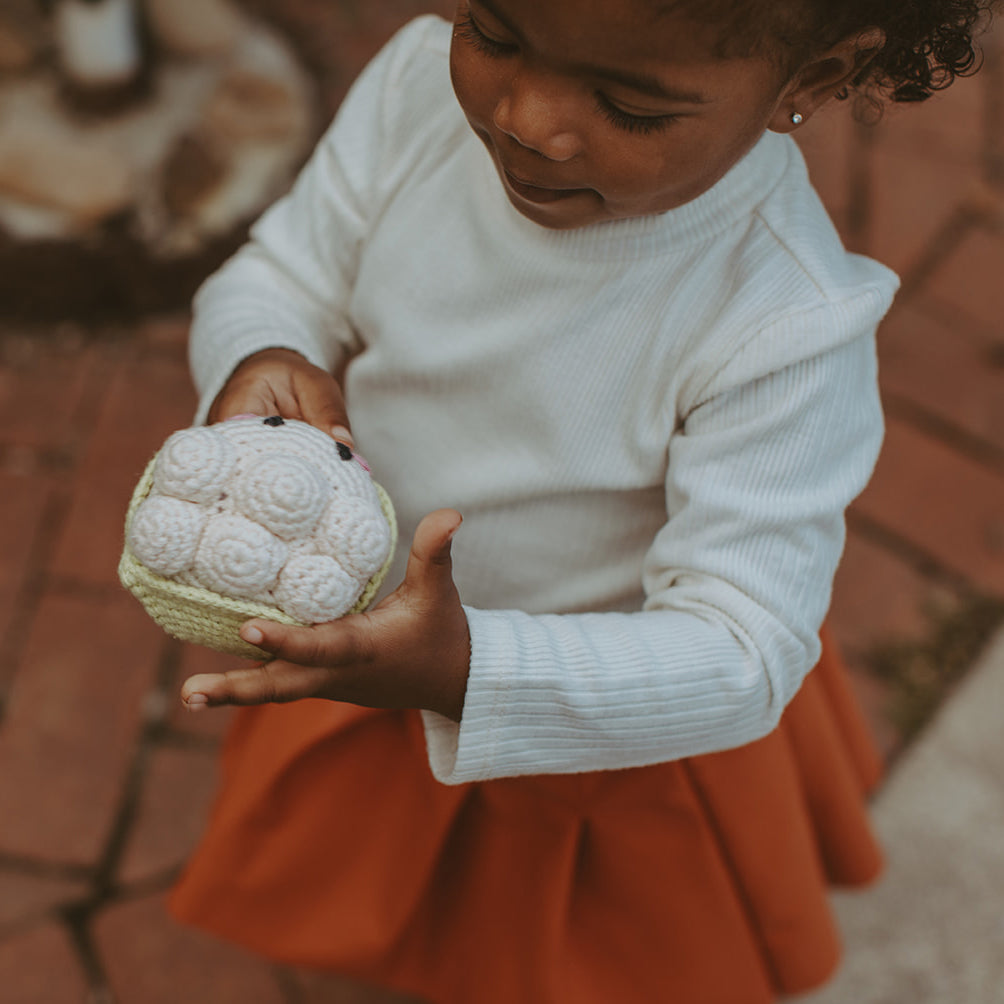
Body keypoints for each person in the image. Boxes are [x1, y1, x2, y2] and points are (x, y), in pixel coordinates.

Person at [168, 2, 998, 1001]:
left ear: (812, 79)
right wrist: (262, 353)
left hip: (595, 720)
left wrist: (470, 669)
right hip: (375, 655)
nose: (527, 119)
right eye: (496, 32)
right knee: (376, 904)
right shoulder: (413, 95)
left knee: (551, 958)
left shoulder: (782, 322)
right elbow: (282, 272)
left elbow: (738, 646)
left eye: (626, 104)